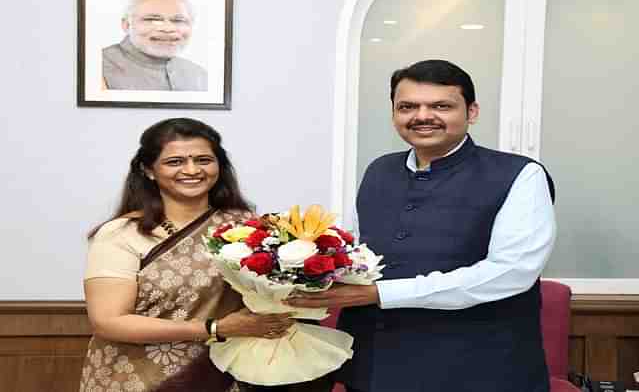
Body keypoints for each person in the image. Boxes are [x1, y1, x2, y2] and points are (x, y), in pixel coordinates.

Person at [286, 59, 557, 392]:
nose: (422, 116)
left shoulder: (520, 174)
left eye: (441, 106)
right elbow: (357, 254)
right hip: (376, 365)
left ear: (471, 112)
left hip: (478, 368)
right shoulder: (379, 170)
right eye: (408, 106)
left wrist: (381, 293)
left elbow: (511, 272)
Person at [79, 118, 294, 392]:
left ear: (219, 166)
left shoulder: (247, 227)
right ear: (148, 170)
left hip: (223, 374)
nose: (192, 170)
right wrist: (215, 328)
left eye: (203, 160)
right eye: (175, 162)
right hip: (136, 378)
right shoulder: (121, 234)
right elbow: (108, 322)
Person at [102, 0, 208, 91]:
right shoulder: (97, 67)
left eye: (178, 20)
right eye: (152, 19)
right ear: (126, 25)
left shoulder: (198, 74)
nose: (167, 29)